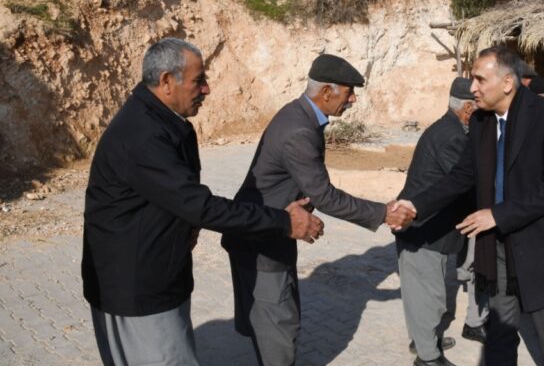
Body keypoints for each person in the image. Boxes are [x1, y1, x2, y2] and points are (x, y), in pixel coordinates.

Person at [82, 38, 324, 366]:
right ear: (167, 81)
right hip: (137, 291)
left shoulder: (165, 122)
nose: (207, 89)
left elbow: (180, 200)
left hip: (158, 278)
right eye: (198, 80)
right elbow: (201, 205)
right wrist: (284, 221)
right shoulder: (142, 135)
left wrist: (187, 224)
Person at [400, 46, 544, 366]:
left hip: (541, 246)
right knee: (501, 331)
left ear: (507, 83)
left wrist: (498, 214)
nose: (472, 87)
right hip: (498, 248)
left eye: (479, 79)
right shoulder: (481, 122)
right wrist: (415, 204)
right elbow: (462, 175)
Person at [221, 53, 416, 366]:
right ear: (326, 91)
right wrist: (383, 212)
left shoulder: (297, 114)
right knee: (279, 332)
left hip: (262, 234)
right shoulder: (300, 129)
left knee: (271, 324)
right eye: (348, 92)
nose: (352, 100)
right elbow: (325, 195)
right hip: (261, 243)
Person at [395, 77, 477, 366]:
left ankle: (425, 340)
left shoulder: (452, 129)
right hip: (422, 229)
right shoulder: (451, 135)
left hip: (432, 229)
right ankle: (428, 357)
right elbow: (465, 183)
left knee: (428, 294)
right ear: (468, 108)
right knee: (427, 296)